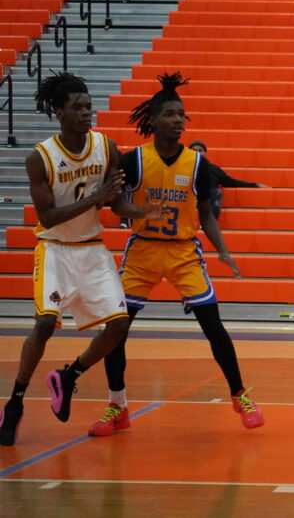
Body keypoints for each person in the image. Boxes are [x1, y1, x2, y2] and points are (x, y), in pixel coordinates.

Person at [90, 72, 265, 437]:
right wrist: (141, 212)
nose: (178, 120)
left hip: (184, 251)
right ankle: (117, 406)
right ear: (153, 121)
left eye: (182, 115)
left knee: (213, 326)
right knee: (116, 329)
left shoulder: (198, 164)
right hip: (143, 250)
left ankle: (240, 395)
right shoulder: (133, 160)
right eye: (170, 114)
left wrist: (223, 250)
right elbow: (116, 207)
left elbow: (206, 214)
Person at [0, 73, 156, 446]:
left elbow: (115, 205)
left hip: (91, 248)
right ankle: (16, 402)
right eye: (78, 107)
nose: (87, 112)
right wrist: (97, 196)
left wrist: (142, 211)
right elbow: (47, 218)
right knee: (44, 324)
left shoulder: (106, 147)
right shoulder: (40, 158)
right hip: (55, 248)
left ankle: (68, 376)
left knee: (118, 327)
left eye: (89, 106)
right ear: (59, 112)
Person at [187, 140, 268, 220]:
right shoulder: (184, 168)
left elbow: (231, 182)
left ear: (205, 153)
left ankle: (208, 221)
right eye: (194, 150)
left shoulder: (214, 169)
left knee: (216, 192)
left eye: (200, 151)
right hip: (189, 197)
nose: (197, 153)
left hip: (208, 199)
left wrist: (255, 185)